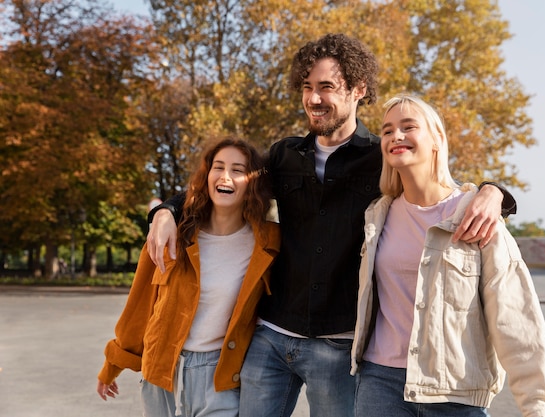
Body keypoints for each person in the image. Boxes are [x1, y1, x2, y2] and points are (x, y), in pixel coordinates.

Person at [147, 34, 516, 417]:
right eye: (307, 87)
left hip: (339, 347)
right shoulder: (284, 155)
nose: (313, 98)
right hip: (271, 336)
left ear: (358, 89)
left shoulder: (384, 157)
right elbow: (227, 185)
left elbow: (443, 191)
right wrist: (167, 211)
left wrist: (493, 193)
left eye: (326, 87)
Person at [350, 94, 545, 417]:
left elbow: (516, 319)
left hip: (455, 392)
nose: (396, 136)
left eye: (408, 126)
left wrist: (539, 408)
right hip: (380, 384)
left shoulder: (475, 214)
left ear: (437, 140)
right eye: (388, 130)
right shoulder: (377, 216)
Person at [96, 138, 280, 417]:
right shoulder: (170, 235)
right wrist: (113, 364)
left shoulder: (268, 243)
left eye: (238, 169)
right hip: (160, 369)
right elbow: (141, 306)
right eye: (218, 167)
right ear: (207, 176)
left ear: (252, 182)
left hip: (219, 376)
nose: (225, 176)